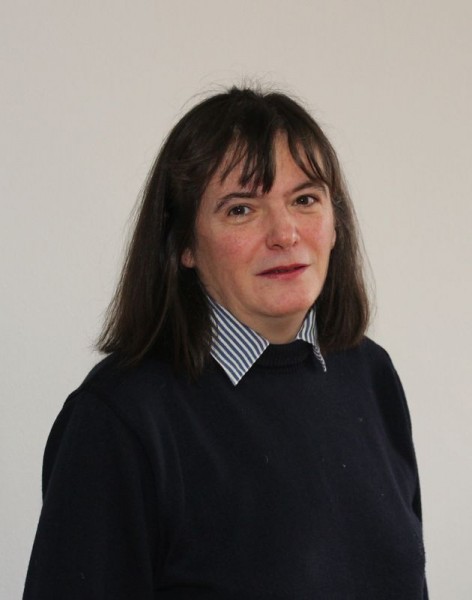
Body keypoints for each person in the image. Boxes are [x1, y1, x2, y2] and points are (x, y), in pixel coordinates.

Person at [24, 86, 428, 599]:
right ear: (184, 246)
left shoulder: (370, 376)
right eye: (241, 209)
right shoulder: (120, 419)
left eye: (305, 199)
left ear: (335, 223)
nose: (285, 233)